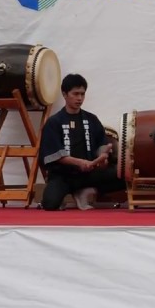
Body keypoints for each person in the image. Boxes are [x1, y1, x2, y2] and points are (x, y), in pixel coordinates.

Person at [38, 73, 126, 210]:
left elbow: (101, 144)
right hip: (63, 176)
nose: (80, 98)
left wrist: (103, 155)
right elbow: (53, 154)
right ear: (64, 94)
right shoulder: (54, 122)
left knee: (124, 175)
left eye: (82, 94)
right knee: (50, 205)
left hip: (88, 174)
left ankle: (86, 191)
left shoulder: (91, 119)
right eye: (75, 94)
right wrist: (79, 162)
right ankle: (62, 195)